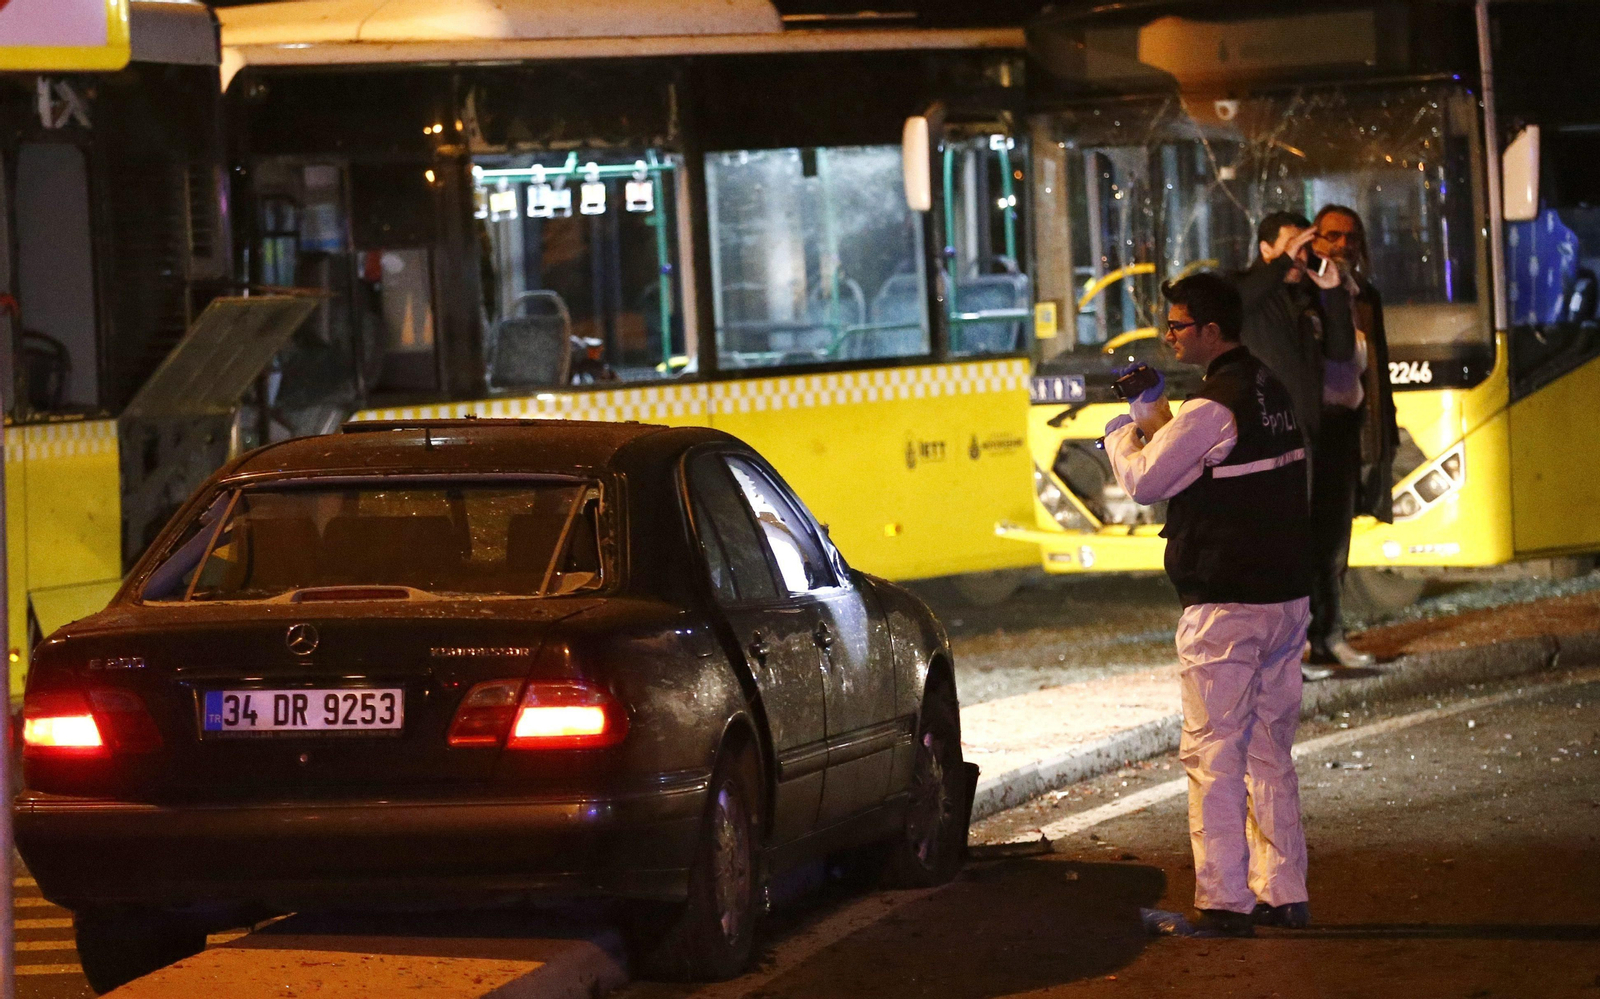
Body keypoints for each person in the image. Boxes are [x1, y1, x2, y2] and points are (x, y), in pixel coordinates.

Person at [1103, 273, 1314, 938]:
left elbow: (1146, 478)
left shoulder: (1212, 408)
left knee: (1213, 751)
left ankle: (1224, 900)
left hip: (1226, 605)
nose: (1168, 334)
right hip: (1286, 597)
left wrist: (1120, 430)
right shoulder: (1269, 389)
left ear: (1213, 331)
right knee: (1270, 747)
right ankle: (1284, 891)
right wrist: (1155, 416)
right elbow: (1206, 461)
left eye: (1178, 325)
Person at [1234, 210, 1358, 678]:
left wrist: (1331, 296)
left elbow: (1341, 351)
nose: (1300, 254)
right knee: (1274, 553)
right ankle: (1279, 656)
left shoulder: (1303, 297)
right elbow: (1239, 298)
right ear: (1266, 249)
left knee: (1316, 547)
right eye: (1292, 244)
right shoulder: (1245, 294)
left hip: (1311, 439)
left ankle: (1319, 640)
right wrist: (1278, 263)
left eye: (1305, 246)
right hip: (1267, 443)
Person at [1307, 205, 1399, 667]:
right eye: (1333, 236)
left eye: (1352, 238)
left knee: (1335, 541)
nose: (1343, 246)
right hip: (1306, 432)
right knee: (1302, 542)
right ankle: (1304, 639)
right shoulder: (1300, 294)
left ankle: (1330, 634)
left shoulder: (1364, 295)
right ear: (1313, 239)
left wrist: (1382, 431)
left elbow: (1374, 368)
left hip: (1344, 428)